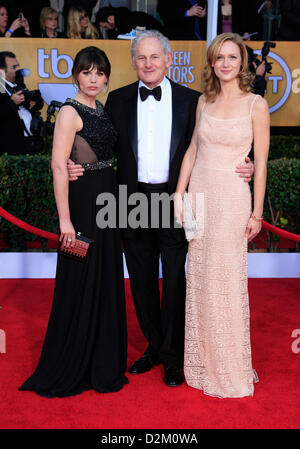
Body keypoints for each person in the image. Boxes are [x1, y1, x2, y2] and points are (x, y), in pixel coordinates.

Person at [67, 30, 254, 387]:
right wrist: (72, 162)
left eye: (155, 57)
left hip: (178, 198)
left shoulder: (193, 100)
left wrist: (252, 164)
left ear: (168, 60)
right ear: (133, 62)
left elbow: (221, 142)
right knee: (140, 279)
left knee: (174, 277)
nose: (148, 64)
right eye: (141, 58)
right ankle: (154, 345)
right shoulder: (118, 100)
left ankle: (172, 355)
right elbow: (93, 140)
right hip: (131, 200)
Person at [19, 46, 128, 397]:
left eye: (99, 72)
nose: (93, 79)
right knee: (80, 274)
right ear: (76, 75)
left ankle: (101, 359)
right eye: (86, 72)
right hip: (83, 206)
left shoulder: (102, 108)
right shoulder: (69, 111)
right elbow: (57, 164)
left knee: (105, 275)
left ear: (107, 76)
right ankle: (72, 359)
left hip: (107, 199)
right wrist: (65, 221)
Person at [175, 32, 270, 398]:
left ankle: (230, 366)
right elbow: (192, 151)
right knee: (199, 279)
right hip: (200, 195)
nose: (226, 63)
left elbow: (260, 163)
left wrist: (257, 212)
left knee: (227, 283)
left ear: (242, 62)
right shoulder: (204, 101)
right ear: (212, 63)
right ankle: (201, 362)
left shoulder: (255, 105)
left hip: (232, 200)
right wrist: (179, 194)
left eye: (233, 57)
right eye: (220, 58)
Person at [0, 51, 43, 154]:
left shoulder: (18, 83)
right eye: (13, 67)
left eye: (17, 66)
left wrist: (34, 102)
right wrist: (12, 103)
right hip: (9, 148)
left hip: (29, 143)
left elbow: (36, 102)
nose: (17, 70)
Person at [97, 6, 164, 39]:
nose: (106, 29)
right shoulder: (123, 22)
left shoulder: (130, 22)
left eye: (105, 26)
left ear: (110, 19)